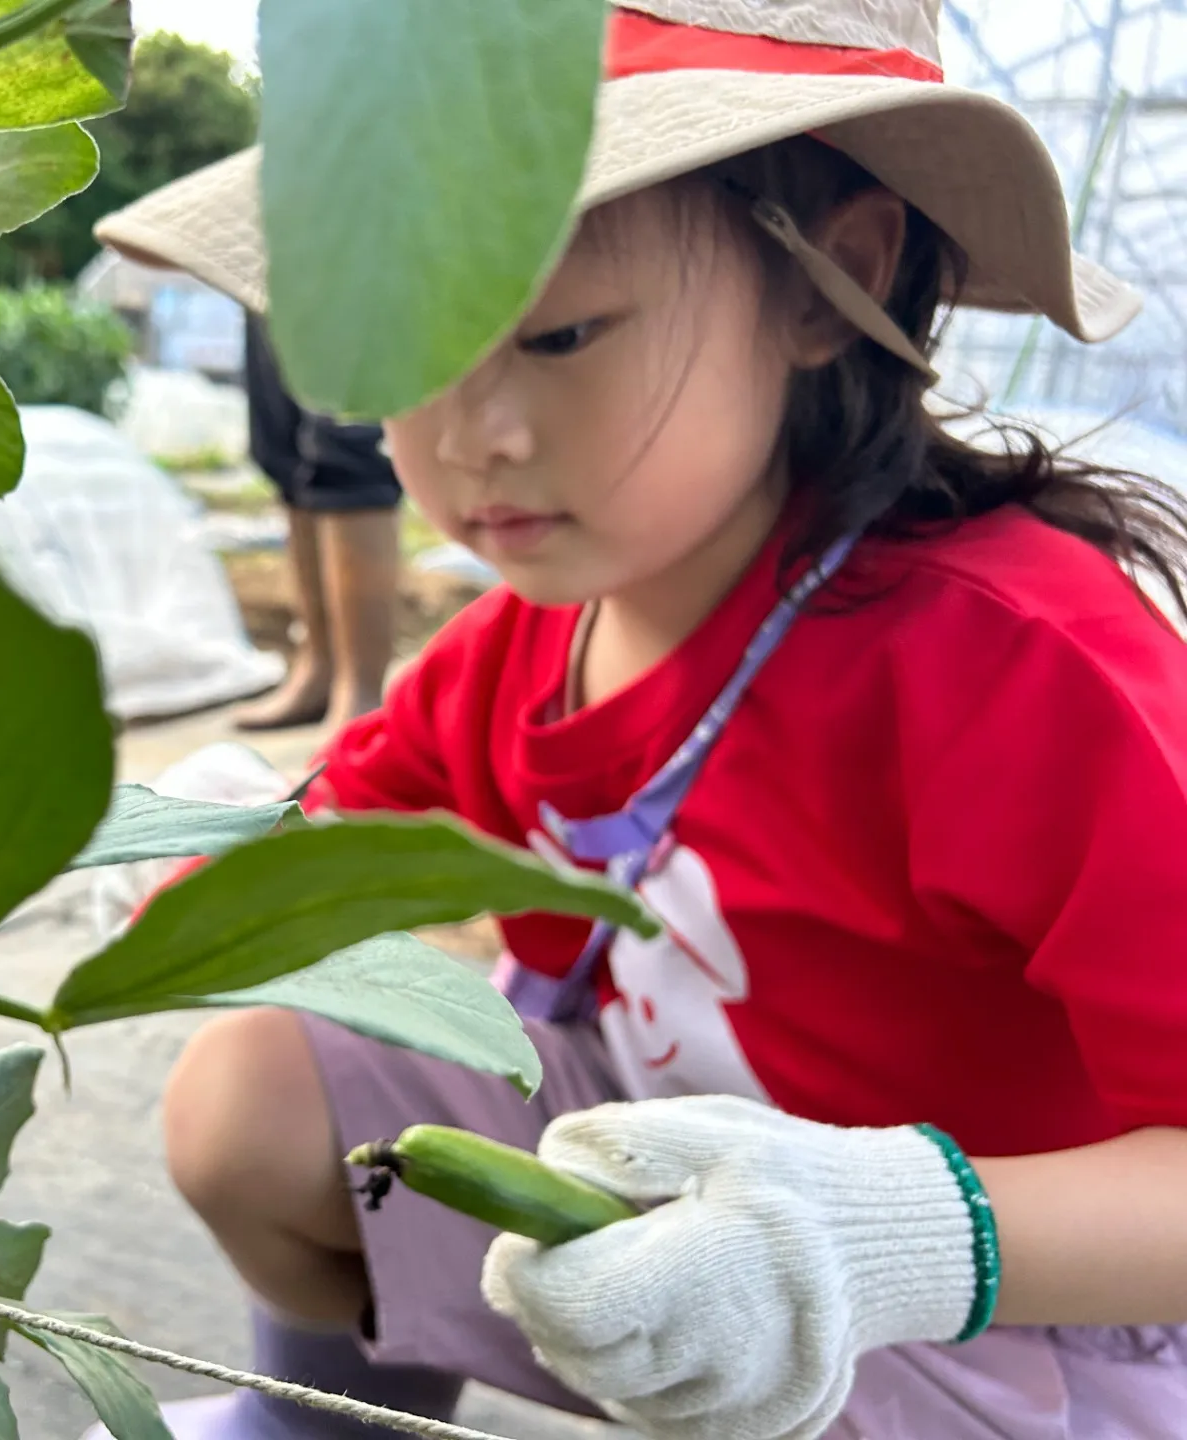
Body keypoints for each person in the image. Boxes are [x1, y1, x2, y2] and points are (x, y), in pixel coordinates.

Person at [88, 2, 1187, 1436]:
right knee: (258, 1098)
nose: (471, 431)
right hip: (666, 1178)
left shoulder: (1026, 669)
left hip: (998, 1301)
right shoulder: (526, 647)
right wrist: (197, 883)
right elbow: (337, 838)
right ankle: (320, 1420)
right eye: (408, 340)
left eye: (557, 334)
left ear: (830, 285)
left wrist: (892, 1235)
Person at [236, 311, 400, 731]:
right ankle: (319, 666)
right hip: (270, 271)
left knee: (345, 446)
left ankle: (361, 692)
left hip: (359, 274)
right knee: (281, 444)